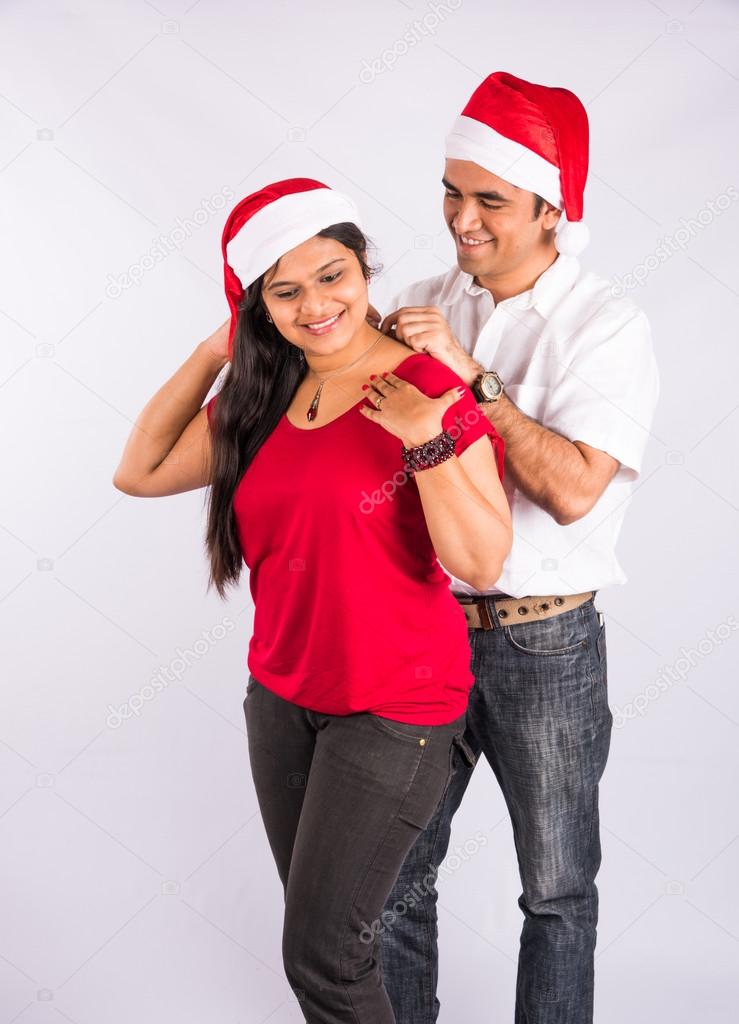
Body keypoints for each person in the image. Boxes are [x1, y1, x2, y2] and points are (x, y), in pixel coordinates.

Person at [112, 176, 512, 1023]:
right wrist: (214, 353)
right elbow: (138, 472)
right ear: (258, 306)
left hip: (393, 709)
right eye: (284, 291)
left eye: (332, 274)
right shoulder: (264, 394)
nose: (314, 304)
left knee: (324, 958)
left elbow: (481, 560)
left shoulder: (428, 384)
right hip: (283, 703)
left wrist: (426, 441)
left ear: (364, 269)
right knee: (331, 948)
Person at [377, 72, 660, 1024]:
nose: (462, 217)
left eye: (489, 199)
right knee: (395, 889)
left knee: (556, 894)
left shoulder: (606, 325)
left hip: (547, 644)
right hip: (417, 632)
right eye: (451, 191)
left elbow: (573, 490)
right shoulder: (415, 301)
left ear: (552, 208)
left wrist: (472, 378)